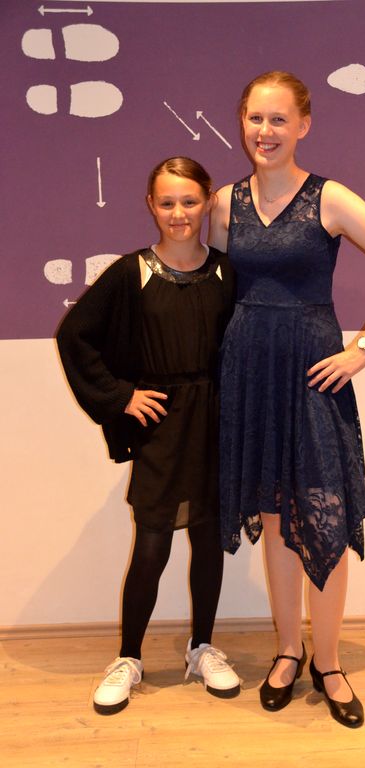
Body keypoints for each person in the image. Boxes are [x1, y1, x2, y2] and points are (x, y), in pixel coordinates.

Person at [209, 71, 365, 728]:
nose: (265, 131)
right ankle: (288, 650)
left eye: (278, 119)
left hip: (312, 375)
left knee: (322, 517)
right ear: (242, 121)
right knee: (275, 518)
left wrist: (363, 347)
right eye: (255, 118)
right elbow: (199, 282)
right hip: (250, 372)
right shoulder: (223, 204)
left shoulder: (328, 198)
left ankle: (328, 662)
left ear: (303, 125)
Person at [57, 156, 240, 715]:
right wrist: (120, 397)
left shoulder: (227, 272)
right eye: (167, 202)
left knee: (208, 537)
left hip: (217, 419)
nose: (179, 213)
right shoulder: (130, 271)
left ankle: (202, 648)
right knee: (153, 542)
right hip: (162, 425)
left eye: (189, 201)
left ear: (207, 202)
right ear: (151, 206)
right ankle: (129, 657)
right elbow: (75, 336)